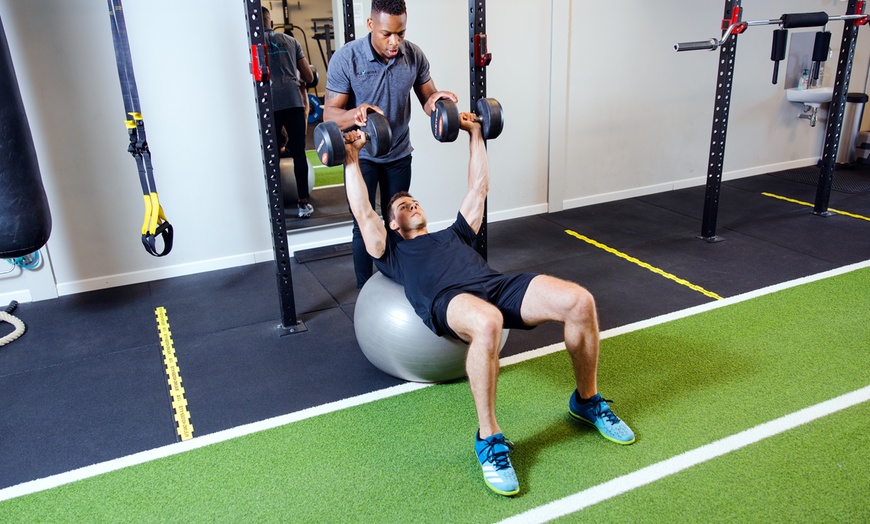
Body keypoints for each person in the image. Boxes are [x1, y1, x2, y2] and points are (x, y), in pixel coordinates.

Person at [341, 114, 635, 497]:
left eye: (414, 201)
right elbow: (363, 211)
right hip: (448, 302)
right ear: (393, 224)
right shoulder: (391, 251)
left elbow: (478, 186)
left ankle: (587, 401)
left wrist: (476, 132)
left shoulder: (454, 235)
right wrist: (351, 157)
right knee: (488, 322)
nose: (411, 204)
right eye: (402, 206)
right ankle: (489, 438)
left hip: (495, 285)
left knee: (579, 301)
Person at [323, 0, 457, 288]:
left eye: (401, 33)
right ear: (371, 25)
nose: (395, 42)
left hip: (398, 153)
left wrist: (438, 102)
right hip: (362, 156)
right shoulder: (347, 59)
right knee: (364, 224)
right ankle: (364, 290)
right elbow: (330, 115)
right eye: (387, 34)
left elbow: (428, 100)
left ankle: (400, 285)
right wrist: (354, 113)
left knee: (399, 224)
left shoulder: (414, 56)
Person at [262, 6, 316, 218]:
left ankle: (275, 206)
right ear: (271, 22)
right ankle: (303, 203)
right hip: (293, 100)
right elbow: (310, 78)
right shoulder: (291, 41)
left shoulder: (253, 45)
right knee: (299, 152)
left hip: (269, 104)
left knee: (271, 154)